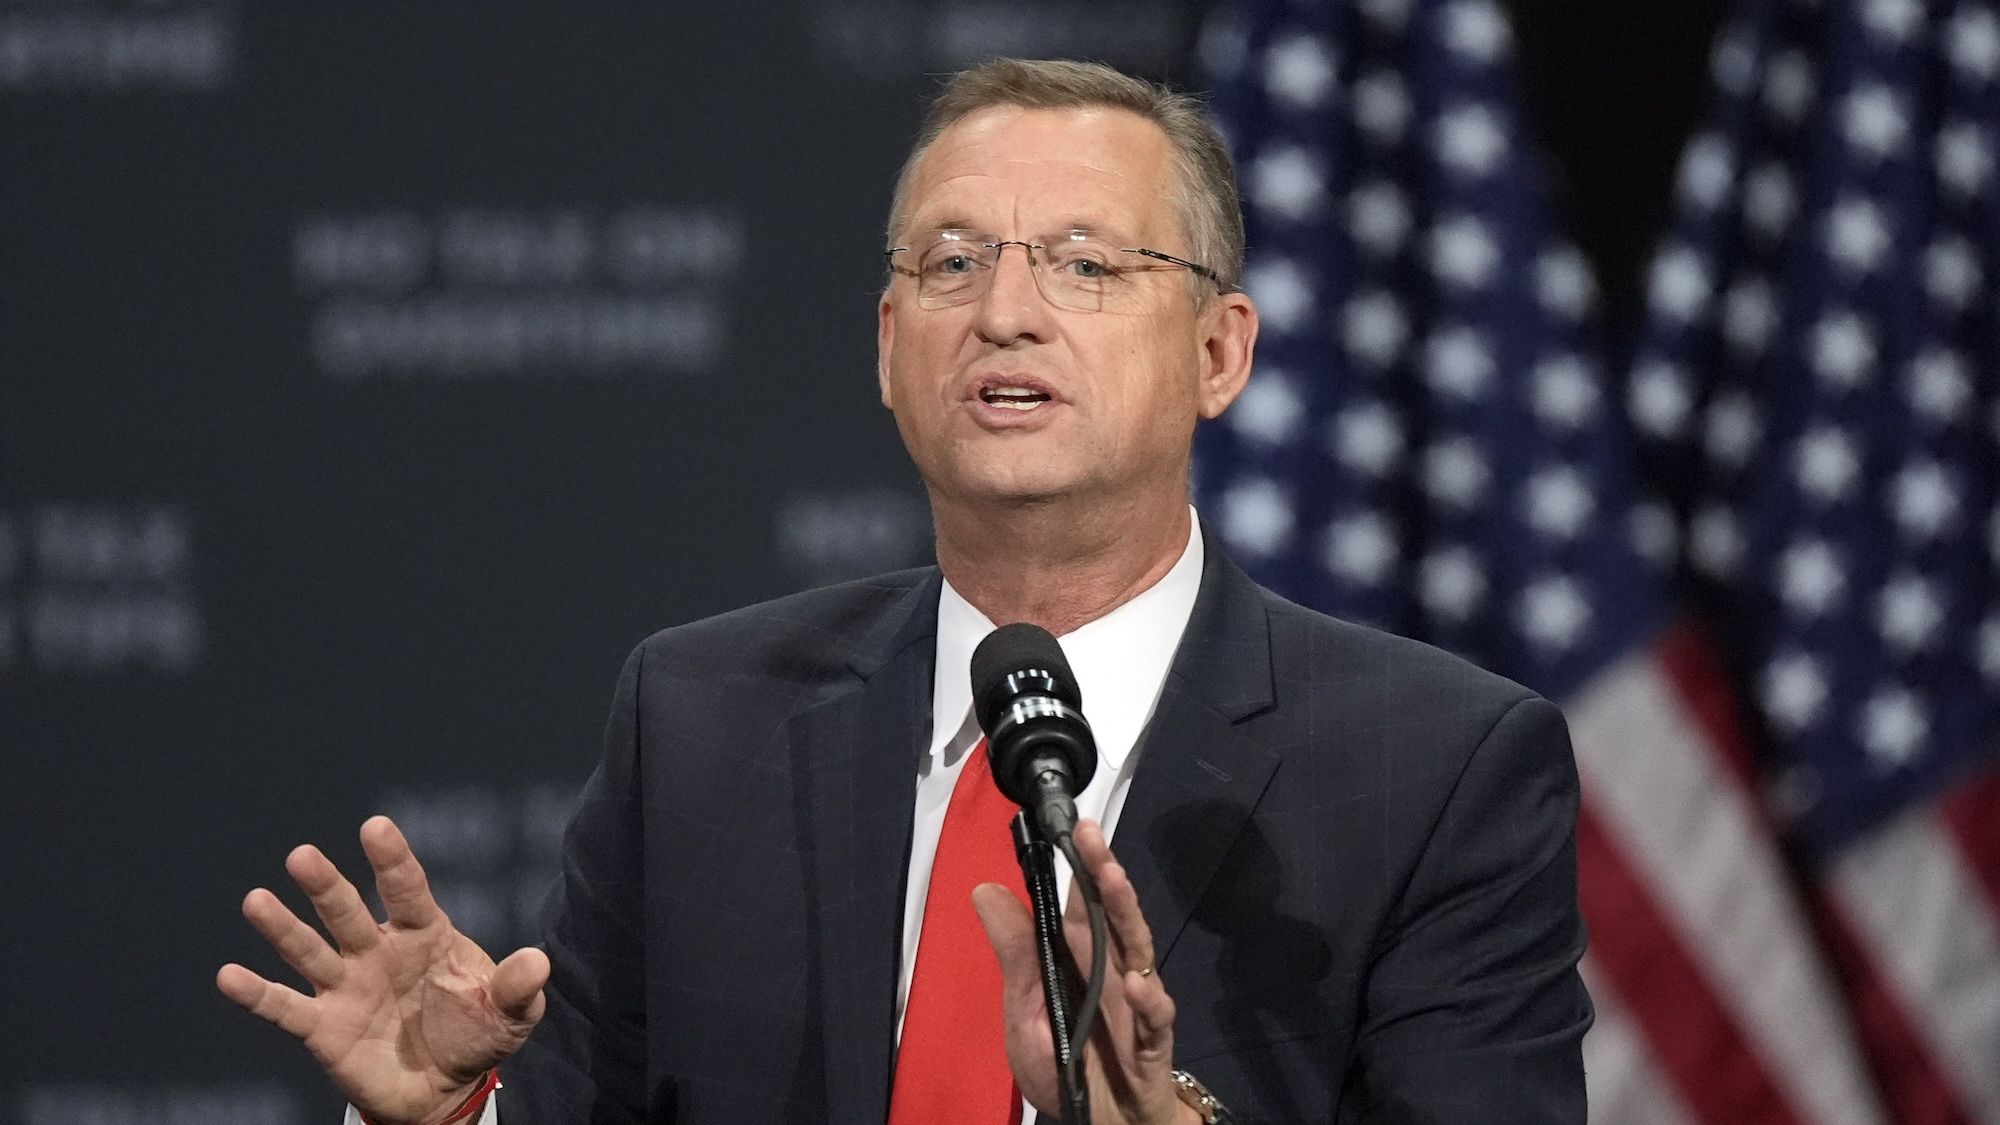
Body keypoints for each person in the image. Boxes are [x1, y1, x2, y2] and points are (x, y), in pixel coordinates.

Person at [218, 59, 1592, 1123]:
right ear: (889, 349)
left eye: (1086, 264)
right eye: (951, 261)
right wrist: (455, 1109)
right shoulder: (700, 723)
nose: (1005, 309)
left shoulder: (1435, 770)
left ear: (1221, 352)